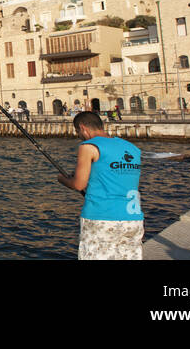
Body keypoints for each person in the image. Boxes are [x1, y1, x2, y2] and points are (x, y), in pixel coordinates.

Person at [58, 111, 144, 260]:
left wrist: (62, 179)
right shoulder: (131, 148)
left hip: (101, 218)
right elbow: (113, 176)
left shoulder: (89, 146)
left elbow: (78, 185)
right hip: (133, 219)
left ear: (83, 128)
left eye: (77, 131)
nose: (78, 135)